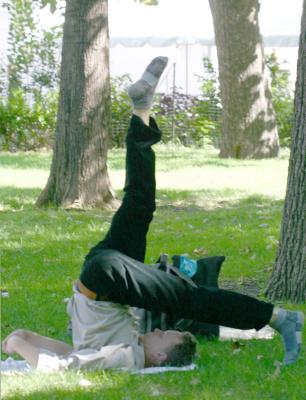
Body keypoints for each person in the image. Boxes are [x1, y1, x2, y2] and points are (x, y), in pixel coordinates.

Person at [2, 57, 303, 372]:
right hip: (102, 276)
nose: (158, 329)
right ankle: (141, 112)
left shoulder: (126, 357)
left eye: (164, 336)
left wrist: (21, 343)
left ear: (158, 357)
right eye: (165, 332)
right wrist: (23, 339)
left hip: (105, 277)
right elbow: (68, 355)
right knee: (139, 203)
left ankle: (280, 318)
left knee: (191, 298)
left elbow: (63, 365)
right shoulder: (125, 353)